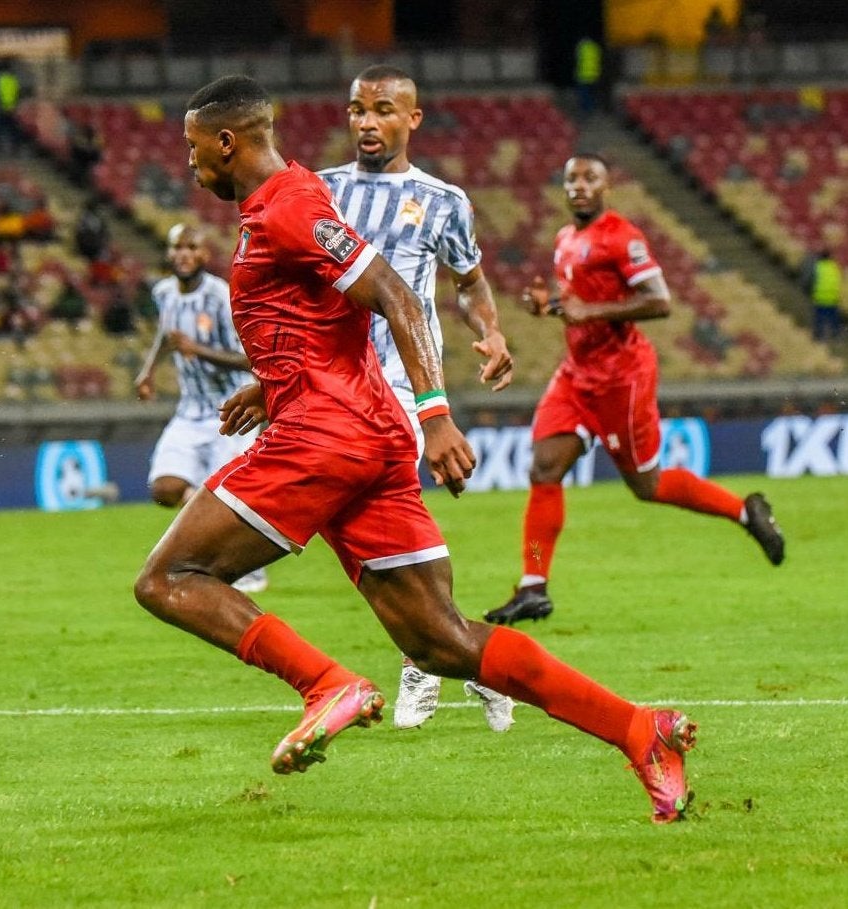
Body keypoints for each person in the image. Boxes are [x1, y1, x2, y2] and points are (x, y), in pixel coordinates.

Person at [133, 75, 697, 825]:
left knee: (169, 576)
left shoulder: (290, 205)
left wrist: (434, 415)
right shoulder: (296, 194)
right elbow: (325, 313)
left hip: (325, 434)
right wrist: (272, 386)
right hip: (362, 429)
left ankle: (324, 683)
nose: (191, 159)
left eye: (193, 145)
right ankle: (639, 731)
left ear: (226, 141)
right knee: (439, 640)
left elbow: (396, 294)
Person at [486, 153, 785, 626]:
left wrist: (592, 313)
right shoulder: (566, 239)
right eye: (571, 179)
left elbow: (660, 302)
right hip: (576, 374)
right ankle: (533, 585)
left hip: (621, 379)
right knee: (544, 467)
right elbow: (579, 305)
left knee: (646, 485)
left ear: (607, 186)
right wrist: (550, 307)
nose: (579, 186)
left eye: (590, 178)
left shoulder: (623, 238)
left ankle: (744, 511)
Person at [317, 64, 516, 732]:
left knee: (389, 526)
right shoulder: (318, 192)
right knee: (362, 532)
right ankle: (462, 648)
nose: (366, 123)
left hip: (401, 384)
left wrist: (487, 331)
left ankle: (425, 657)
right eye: (355, 110)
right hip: (328, 387)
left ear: (412, 119)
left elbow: (469, 280)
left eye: (380, 110)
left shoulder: (442, 200)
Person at [134, 223, 266, 594]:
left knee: (225, 496)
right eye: (177, 247)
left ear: (204, 255)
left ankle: (246, 565)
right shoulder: (163, 293)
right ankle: (214, 547)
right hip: (189, 412)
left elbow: (250, 359)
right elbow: (167, 333)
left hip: (230, 414)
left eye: (191, 247)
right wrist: (147, 371)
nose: (183, 254)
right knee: (164, 488)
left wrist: (199, 350)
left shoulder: (221, 297)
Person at [809, 249, 842, 341]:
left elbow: (812, 279)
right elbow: (839, 279)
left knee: (819, 317)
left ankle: (819, 335)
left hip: (820, 296)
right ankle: (836, 333)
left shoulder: (818, 267)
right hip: (832, 296)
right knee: (833, 316)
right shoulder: (835, 267)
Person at [574, 36, 603, 119]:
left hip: (583, 74)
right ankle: (592, 108)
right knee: (592, 93)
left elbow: (578, 59)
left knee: (584, 93)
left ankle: (586, 110)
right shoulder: (595, 47)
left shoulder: (581, 47)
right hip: (594, 74)